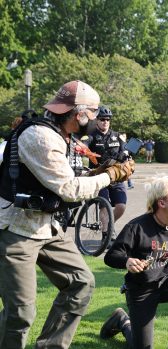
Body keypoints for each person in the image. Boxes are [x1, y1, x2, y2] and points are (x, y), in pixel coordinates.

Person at [0, 80, 134, 348]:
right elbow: (69, 189)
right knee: (21, 313)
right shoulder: (41, 136)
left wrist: (95, 172)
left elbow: (62, 177)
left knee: (81, 283)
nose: (97, 119)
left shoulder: (61, 135)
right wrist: (110, 176)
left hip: (46, 226)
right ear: (80, 114)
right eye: (94, 113)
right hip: (16, 229)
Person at [101, 176, 168, 349]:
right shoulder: (136, 227)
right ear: (162, 203)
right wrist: (127, 261)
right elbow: (111, 256)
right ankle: (122, 321)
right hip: (141, 291)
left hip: (164, 284)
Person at [85, 105, 129, 222]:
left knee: (121, 207)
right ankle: (106, 233)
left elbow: (125, 152)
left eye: (108, 119)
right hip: (99, 175)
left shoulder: (117, 136)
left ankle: (109, 226)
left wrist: (125, 156)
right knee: (104, 206)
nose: (105, 122)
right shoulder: (91, 136)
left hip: (115, 175)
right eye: (102, 119)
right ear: (97, 120)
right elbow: (83, 146)